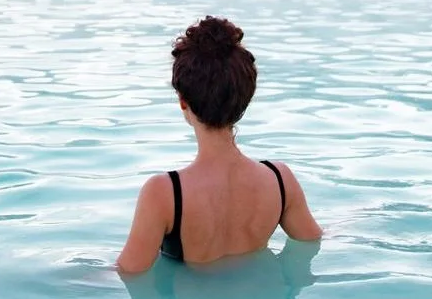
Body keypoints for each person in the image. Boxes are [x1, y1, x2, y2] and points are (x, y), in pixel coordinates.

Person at [117, 16, 321, 274]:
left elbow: (128, 273)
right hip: (260, 298)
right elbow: (312, 239)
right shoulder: (280, 180)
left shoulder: (163, 194)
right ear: (246, 97)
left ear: (183, 102)